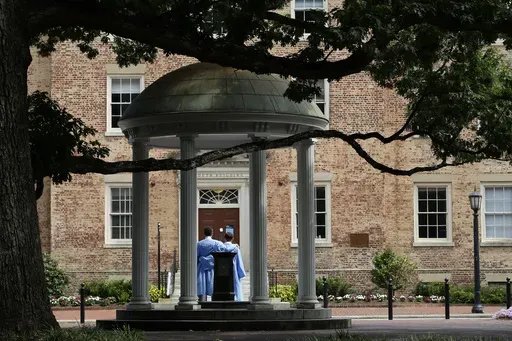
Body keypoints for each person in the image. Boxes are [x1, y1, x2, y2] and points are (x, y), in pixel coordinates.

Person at [197, 227, 224, 302]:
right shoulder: (217, 243)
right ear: (212, 233)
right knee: (213, 284)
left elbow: (196, 255)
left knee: (202, 285)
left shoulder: (199, 244)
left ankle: (202, 303)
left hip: (202, 267)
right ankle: (214, 302)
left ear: (204, 233)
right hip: (213, 267)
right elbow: (225, 250)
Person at [223, 232, 246, 301]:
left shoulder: (222, 247)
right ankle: (237, 298)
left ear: (225, 238)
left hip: (223, 269)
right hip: (234, 269)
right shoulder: (235, 248)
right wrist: (241, 272)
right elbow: (239, 260)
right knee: (235, 284)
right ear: (232, 239)